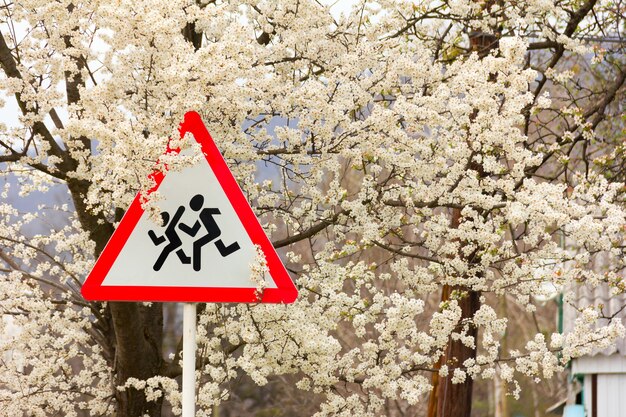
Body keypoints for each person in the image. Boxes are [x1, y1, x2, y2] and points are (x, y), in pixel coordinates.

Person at [179, 194, 240, 271]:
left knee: (197, 244)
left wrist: (182, 227)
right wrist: (183, 227)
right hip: (214, 233)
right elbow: (194, 231)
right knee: (223, 249)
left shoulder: (204, 213)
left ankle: (196, 268)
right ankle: (236, 246)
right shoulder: (202, 214)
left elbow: (193, 231)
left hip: (213, 232)